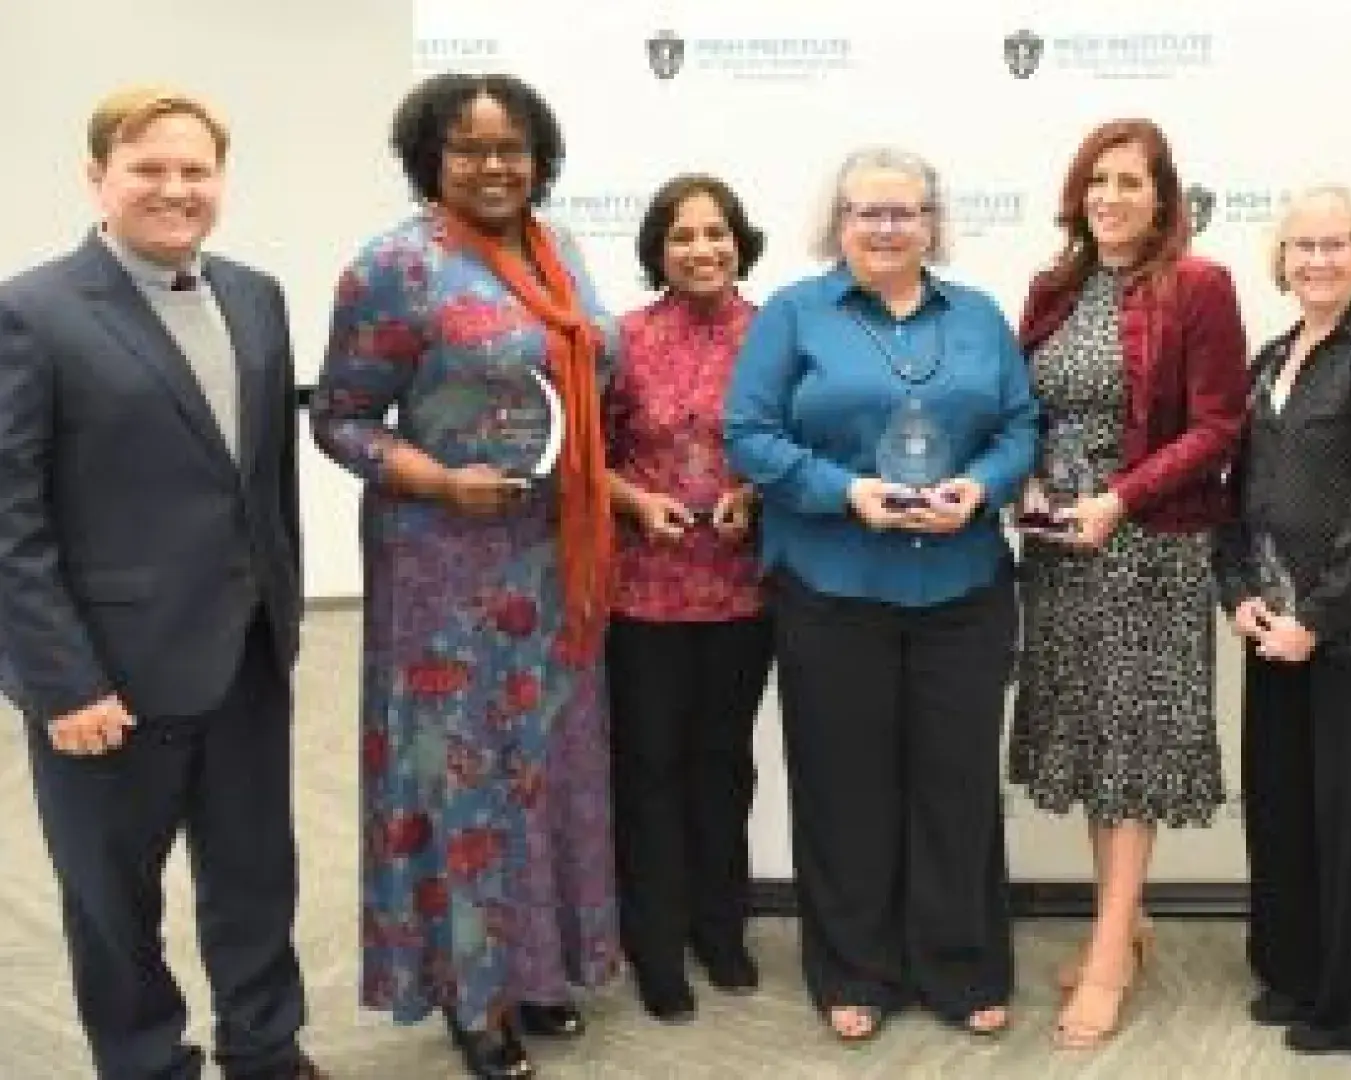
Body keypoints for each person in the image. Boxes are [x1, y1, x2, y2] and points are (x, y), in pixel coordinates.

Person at [0, 87, 322, 1080]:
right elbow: (10, 517)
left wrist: (285, 611)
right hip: (108, 679)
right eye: (149, 168)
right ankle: (144, 1063)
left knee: (255, 879)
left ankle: (266, 1051)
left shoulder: (257, 295)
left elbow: (263, 481)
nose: (175, 189)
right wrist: (60, 684)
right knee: (113, 900)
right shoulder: (31, 312)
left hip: (246, 658)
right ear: (97, 177)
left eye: (196, 170)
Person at [310, 73, 620, 1080]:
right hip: (446, 570)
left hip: (551, 553)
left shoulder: (555, 248)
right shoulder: (394, 268)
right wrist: (439, 479)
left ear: (540, 155)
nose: (494, 165)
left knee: (545, 771)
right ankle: (469, 995)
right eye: (469, 147)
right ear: (429, 158)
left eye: (512, 146)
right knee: (463, 779)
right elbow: (340, 418)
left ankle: (536, 972)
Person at [723, 146, 1038, 1043]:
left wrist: (979, 487)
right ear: (840, 220)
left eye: (906, 212)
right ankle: (854, 967)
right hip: (832, 585)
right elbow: (747, 432)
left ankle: (960, 964)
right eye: (870, 211)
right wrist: (844, 492)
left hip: (963, 587)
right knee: (844, 785)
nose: (888, 227)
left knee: (957, 783)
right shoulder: (793, 314)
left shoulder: (977, 316)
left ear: (932, 222)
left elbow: (1019, 426)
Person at [1007, 117, 1251, 1049]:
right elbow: (1024, 405)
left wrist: (1119, 497)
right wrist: (1029, 479)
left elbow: (1218, 428)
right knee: (1087, 735)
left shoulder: (1198, 287)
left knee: (1132, 746)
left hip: (1147, 548)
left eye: (1130, 182)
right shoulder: (1055, 287)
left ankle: (1109, 950)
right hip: (1058, 550)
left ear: (1162, 197)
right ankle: (1130, 918)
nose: (1111, 197)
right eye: (1097, 180)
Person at [1212, 184, 1351, 1061]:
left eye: (1337, 243)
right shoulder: (1272, 356)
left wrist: (1321, 618)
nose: (1319, 259)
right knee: (1286, 814)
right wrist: (1238, 592)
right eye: (1303, 245)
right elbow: (1240, 492)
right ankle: (1295, 974)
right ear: (1281, 258)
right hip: (1274, 632)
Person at [603, 174, 773, 1021]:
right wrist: (634, 501)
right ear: (657, 252)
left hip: (745, 592)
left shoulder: (778, 334)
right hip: (644, 593)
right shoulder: (621, 339)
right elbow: (579, 458)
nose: (703, 249)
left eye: (717, 232)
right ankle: (655, 941)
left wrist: (760, 494)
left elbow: (804, 442)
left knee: (724, 766)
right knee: (650, 771)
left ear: (740, 238)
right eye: (682, 236)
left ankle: (722, 929)